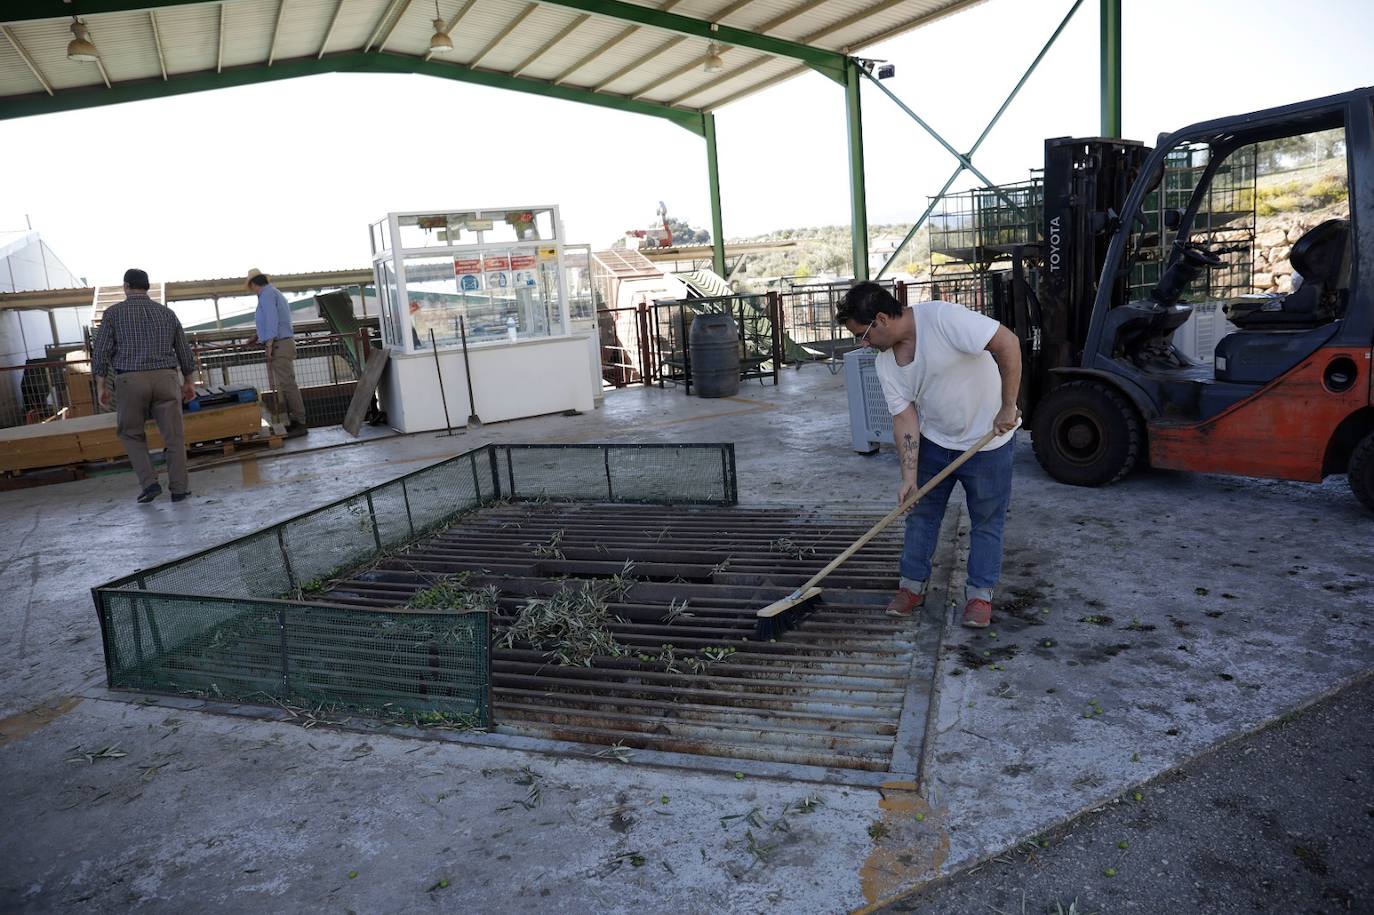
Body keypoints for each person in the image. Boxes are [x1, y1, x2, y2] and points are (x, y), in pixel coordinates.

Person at [837, 282, 1022, 628]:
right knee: (919, 513)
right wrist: (908, 477)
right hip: (936, 442)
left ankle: (980, 596)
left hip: (988, 442)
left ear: (880, 319)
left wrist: (1008, 406)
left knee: (986, 521)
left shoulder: (943, 318)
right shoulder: (885, 364)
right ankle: (911, 587)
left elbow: (1007, 343)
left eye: (863, 334)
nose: (863, 343)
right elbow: (904, 417)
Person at [92, 268, 197, 504]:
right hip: (166, 379)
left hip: (130, 380)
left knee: (131, 433)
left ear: (126, 286)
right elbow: (184, 351)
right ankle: (179, 489)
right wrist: (189, 381)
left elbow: (101, 353)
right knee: (174, 436)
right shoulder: (167, 314)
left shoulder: (113, 313)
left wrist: (101, 385)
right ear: (147, 286)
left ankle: (149, 484)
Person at [246, 269, 307, 438]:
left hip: (279, 344)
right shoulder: (274, 293)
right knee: (288, 384)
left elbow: (272, 320)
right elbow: (273, 320)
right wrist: (258, 336)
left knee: (288, 385)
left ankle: (300, 422)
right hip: (283, 343)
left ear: (253, 284)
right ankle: (297, 421)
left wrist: (269, 344)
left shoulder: (265, 295)